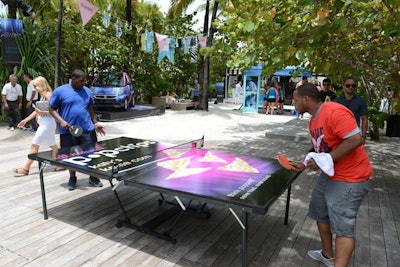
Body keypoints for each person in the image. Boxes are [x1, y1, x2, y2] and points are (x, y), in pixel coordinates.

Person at [290, 83, 373, 267]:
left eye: (295, 100)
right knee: (319, 210)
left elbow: (356, 139)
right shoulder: (313, 120)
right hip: (331, 173)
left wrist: (323, 161)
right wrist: (304, 163)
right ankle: (327, 255)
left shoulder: (334, 111)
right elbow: (322, 147)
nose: (293, 103)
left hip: (351, 177)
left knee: (343, 227)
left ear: (306, 99)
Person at [49, 69, 106, 191]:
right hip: (68, 131)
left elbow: (90, 108)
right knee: (70, 156)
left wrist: (96, 123)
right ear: (73, 79)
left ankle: (93, 176)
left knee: (91, 154)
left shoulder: (87, 91)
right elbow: (51, 109)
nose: (83, 83)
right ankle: (72, 178)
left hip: (87, 130)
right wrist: (61, 121)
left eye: (84, 81)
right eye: (81, 81)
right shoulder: (60, 91)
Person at [13, 76, 59, 175]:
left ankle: (26, 168)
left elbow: (54, 111)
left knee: (34, 145)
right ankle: (58, 163)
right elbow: (36, 112)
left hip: (47, 125)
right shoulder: (43, 96)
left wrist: (40, 111)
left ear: (41, 85)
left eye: (36, 86)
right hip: (45, 124)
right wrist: (25, 120)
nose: (35, 88)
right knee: (53, 146)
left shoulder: (48, 95)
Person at [334, 77, 369, 142]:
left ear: (355, 87)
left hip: (354, 134)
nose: (350, 87)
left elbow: (364, 119)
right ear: (343, 86)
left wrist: (363, 136)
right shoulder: (336, 101)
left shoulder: (361, 101)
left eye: (353, 86)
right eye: (348, 85)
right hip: (338, 134)